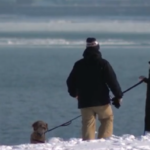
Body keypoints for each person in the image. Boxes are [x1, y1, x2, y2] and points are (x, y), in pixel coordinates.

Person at [66, 37, 123, 140]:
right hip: (102, 101)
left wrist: (74, 94)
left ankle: (88, 145)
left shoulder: (79, 64)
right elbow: (112, 81)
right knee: (107, 119)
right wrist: (118, 95)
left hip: (84, 101)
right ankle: (103, 142)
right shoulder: (103, 63)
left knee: (87, 123)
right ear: (98, 48)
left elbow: (70, 81)